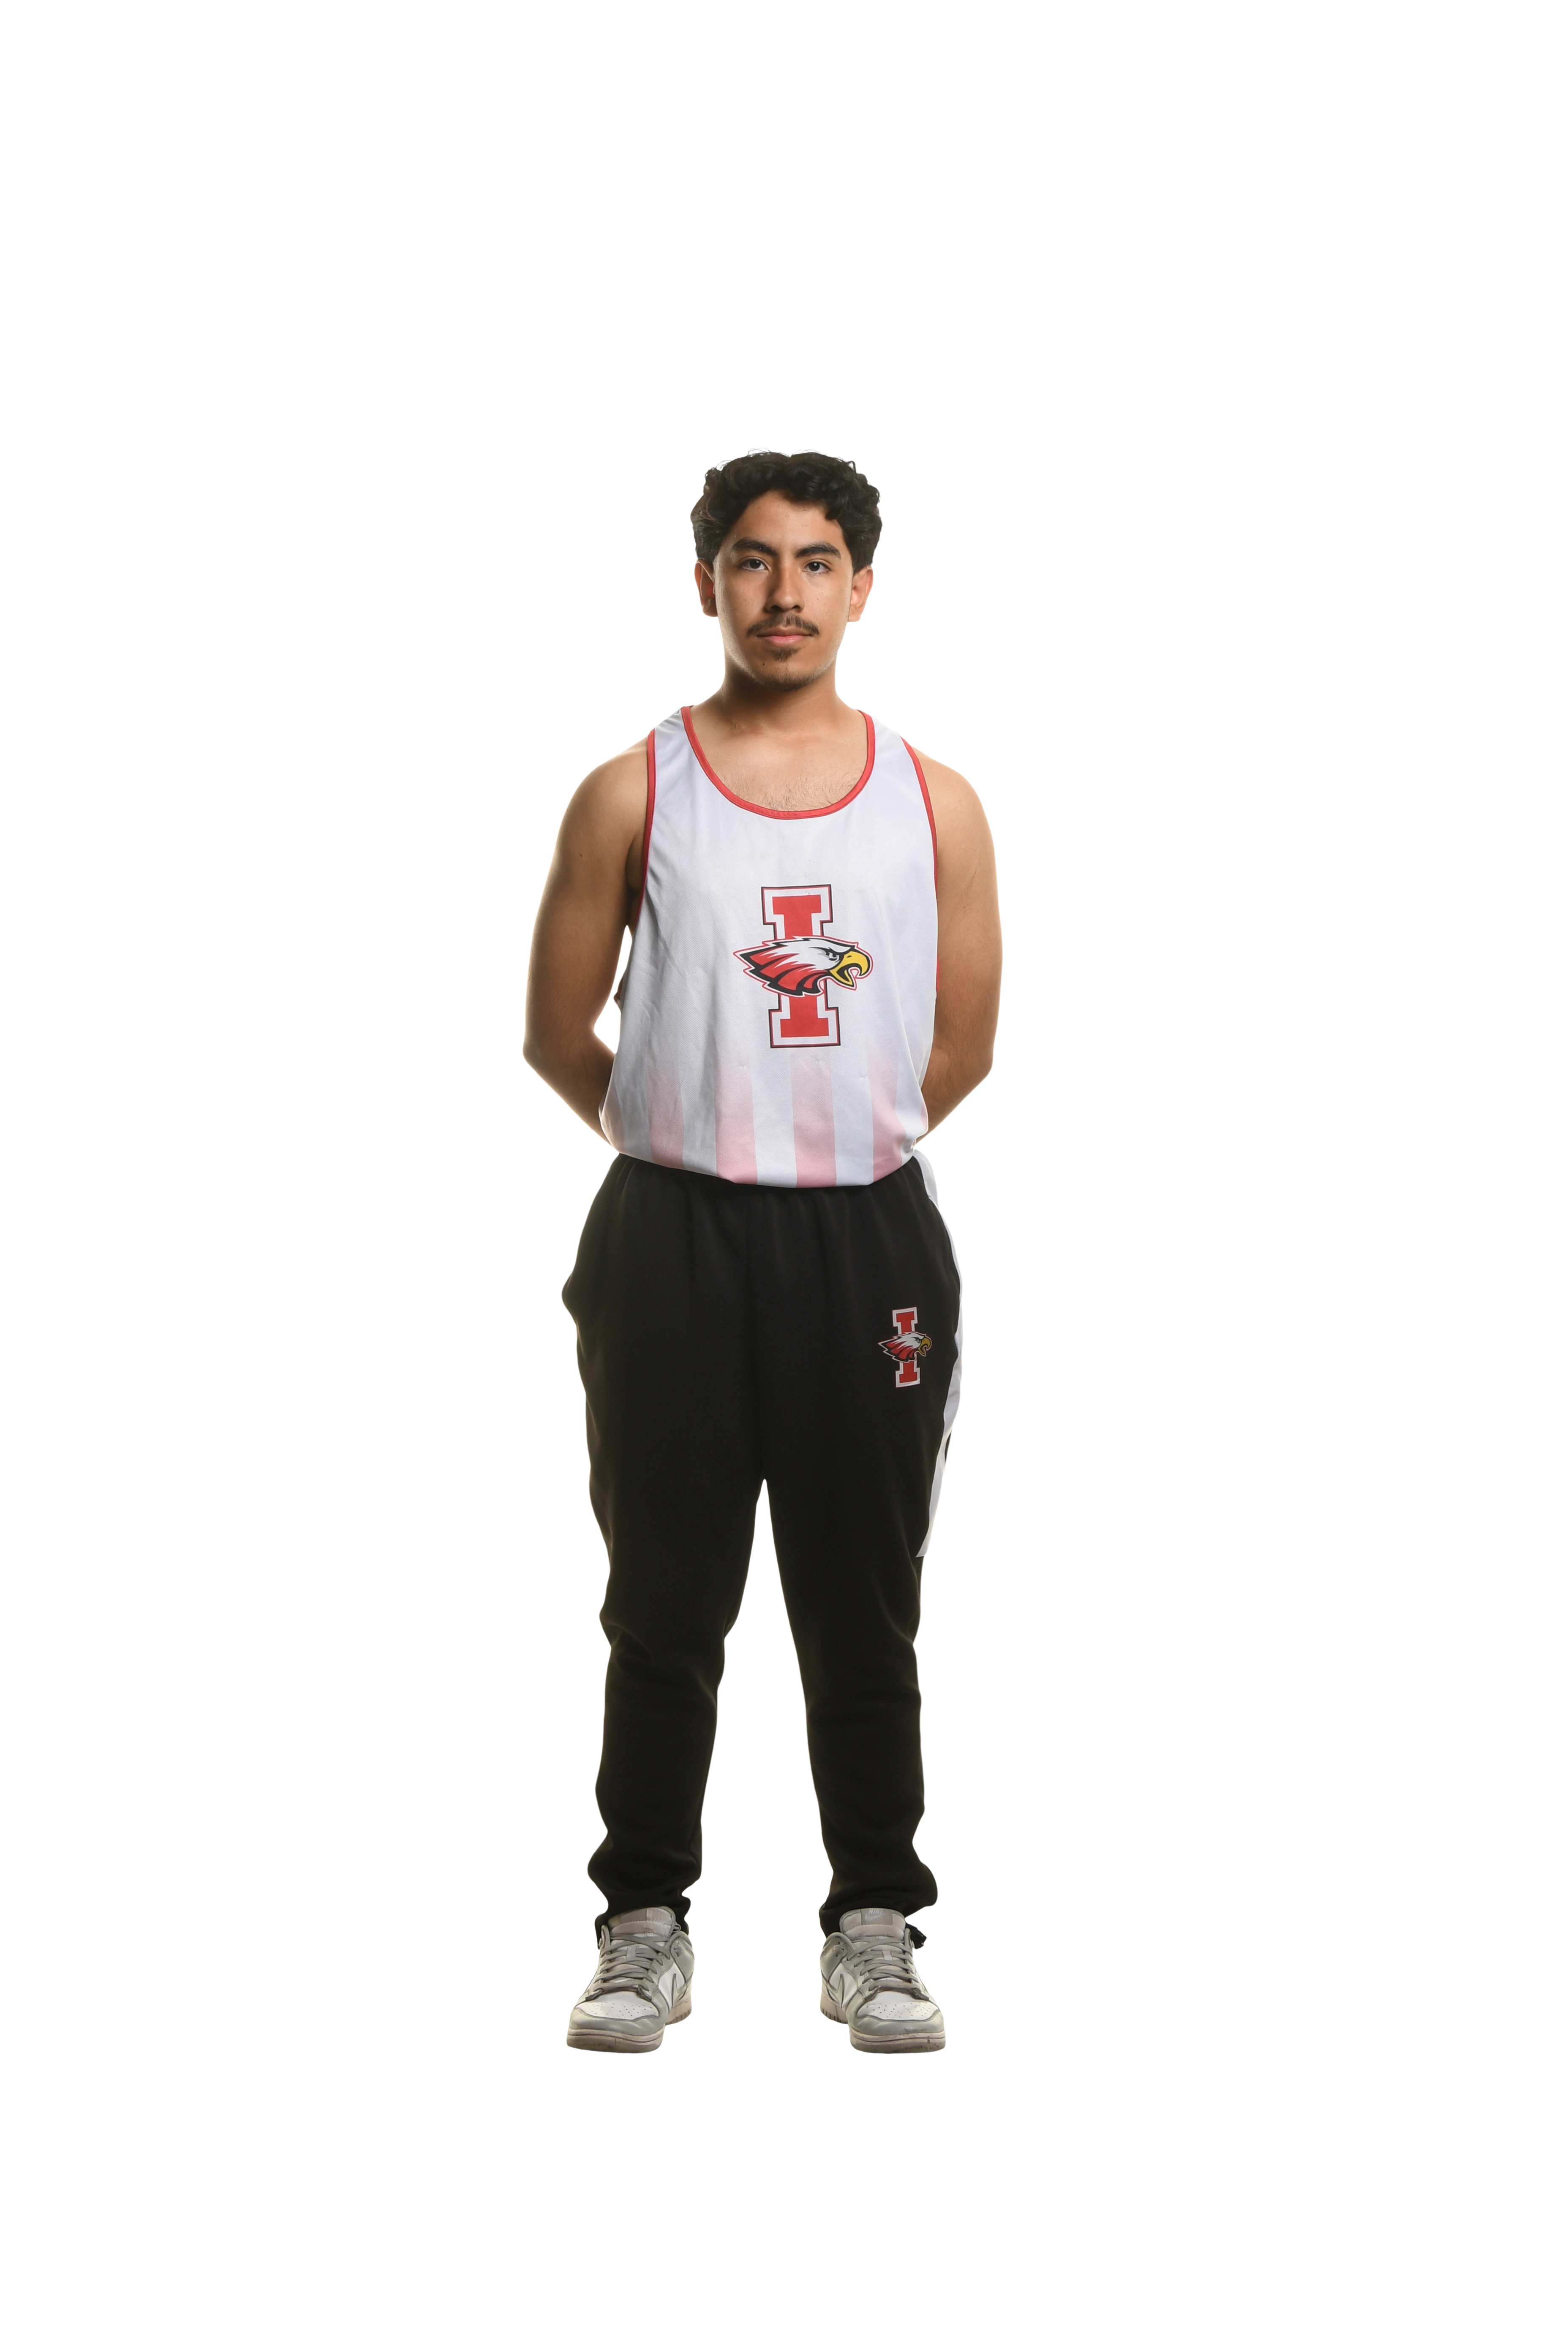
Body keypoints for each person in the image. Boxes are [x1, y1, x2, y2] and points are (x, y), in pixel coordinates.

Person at [523, 448, 1002, 2053]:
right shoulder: (633, 792)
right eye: (750, 559)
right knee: (664, 1598)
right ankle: (642, 1921)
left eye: (814, 563)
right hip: (671, 1236)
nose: (782, 593)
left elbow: (962, 1046)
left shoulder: (934, 800)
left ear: (863, 587)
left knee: (862, 1600)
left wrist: (823, 1142)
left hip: (863, 1238)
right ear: (705, 582)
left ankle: (876, 1920)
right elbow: (556, 1032)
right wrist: (697, 1135)